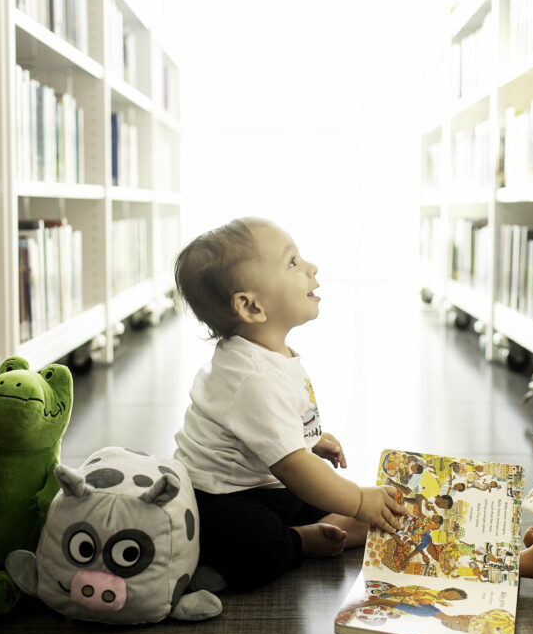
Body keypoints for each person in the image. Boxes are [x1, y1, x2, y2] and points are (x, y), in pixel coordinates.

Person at [173, 216, 406, 591]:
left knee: (316, 491)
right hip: (218, 497)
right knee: (259, 542)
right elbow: (294, 467)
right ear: (251, 307)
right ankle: (300, 541)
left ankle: (321, 522)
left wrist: (310, 438)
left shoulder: (268, 352)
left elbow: (274, 427)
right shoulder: (252, 378)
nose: (311, 268)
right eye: (293, 263)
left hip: (263, 481)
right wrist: (359, 500)